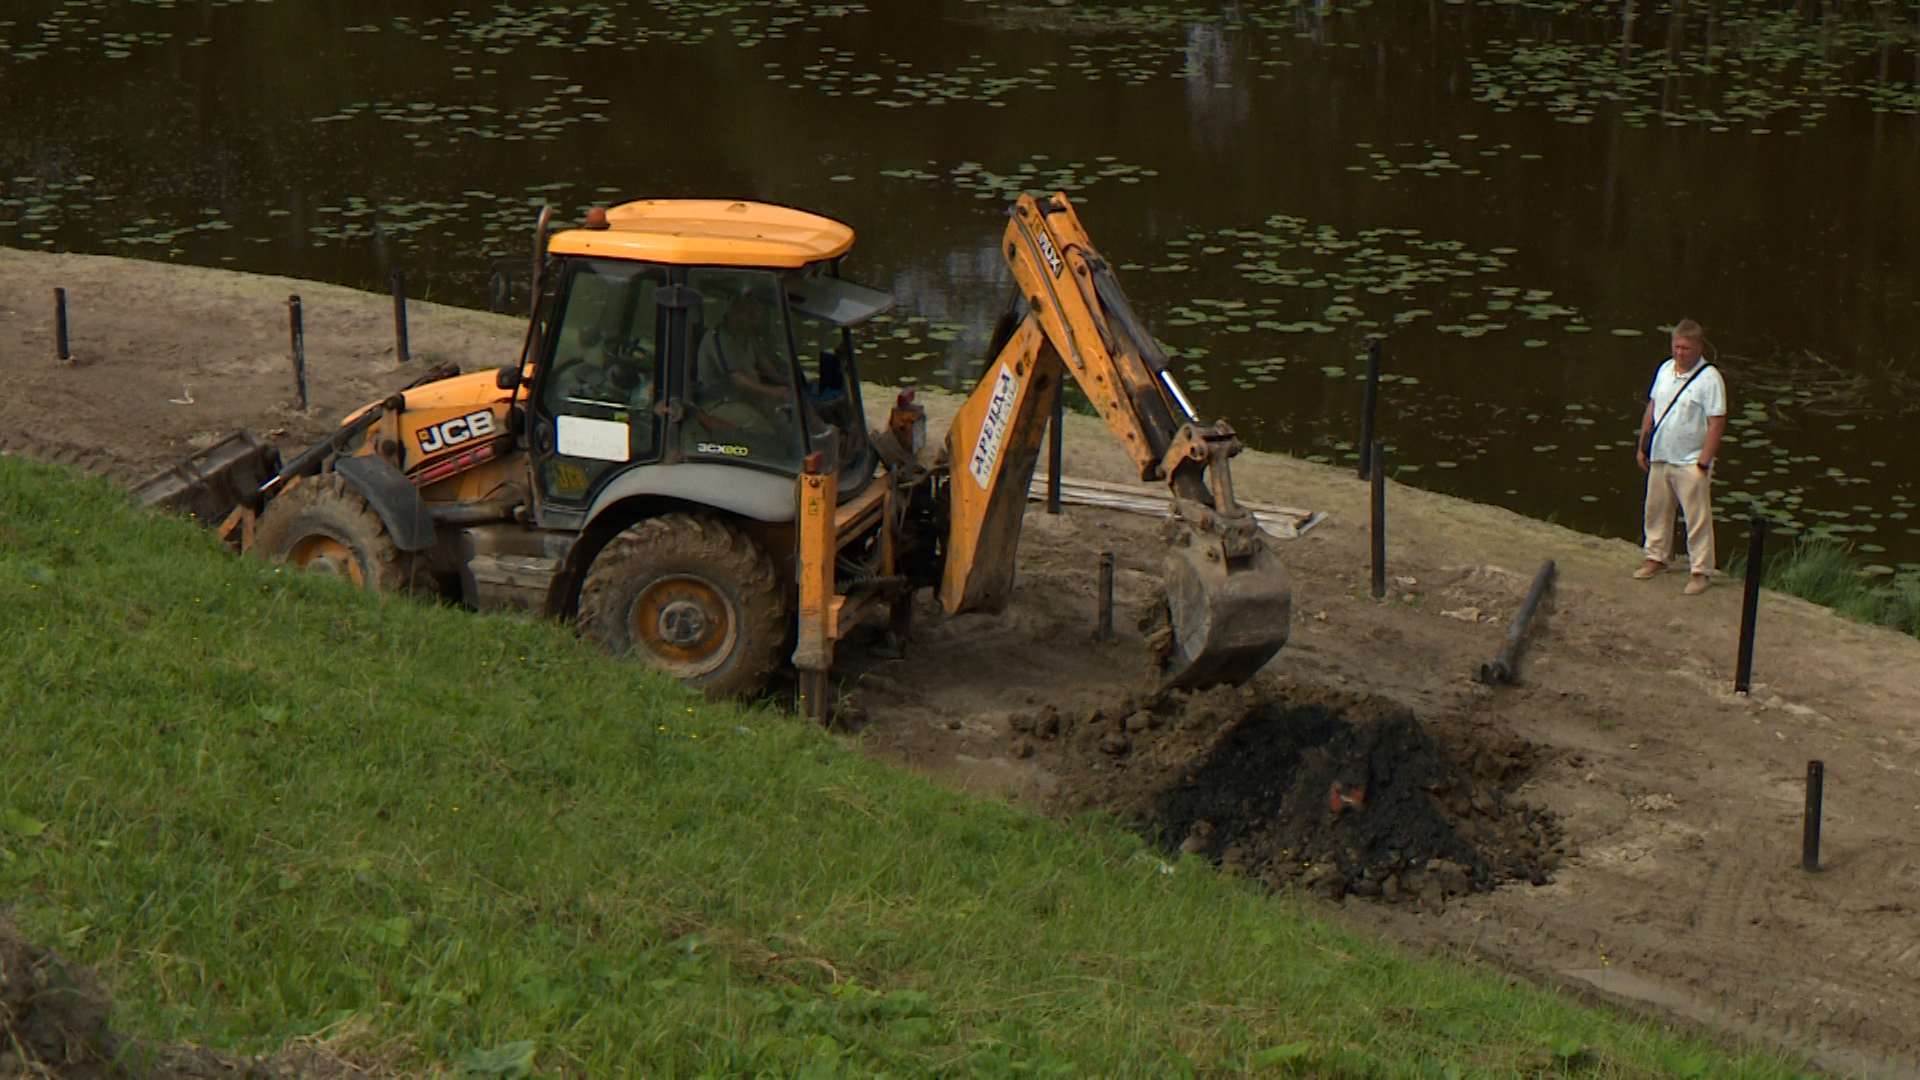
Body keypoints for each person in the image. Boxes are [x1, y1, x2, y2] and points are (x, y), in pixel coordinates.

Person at [1634, 319, 1727, 595]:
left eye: (1686, 348)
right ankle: (1656, 556)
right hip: (1662, 454)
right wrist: (1643, 445)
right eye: (1676, 346)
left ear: (1699, 348)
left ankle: (1700, 570)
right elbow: (1653, 407)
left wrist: (1704, 462)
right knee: (1656, 509)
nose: (1680, 353)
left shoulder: (1710, 379)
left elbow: (1717, 422)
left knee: (1697, 517)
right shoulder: (1665, 370)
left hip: (1690, 459)